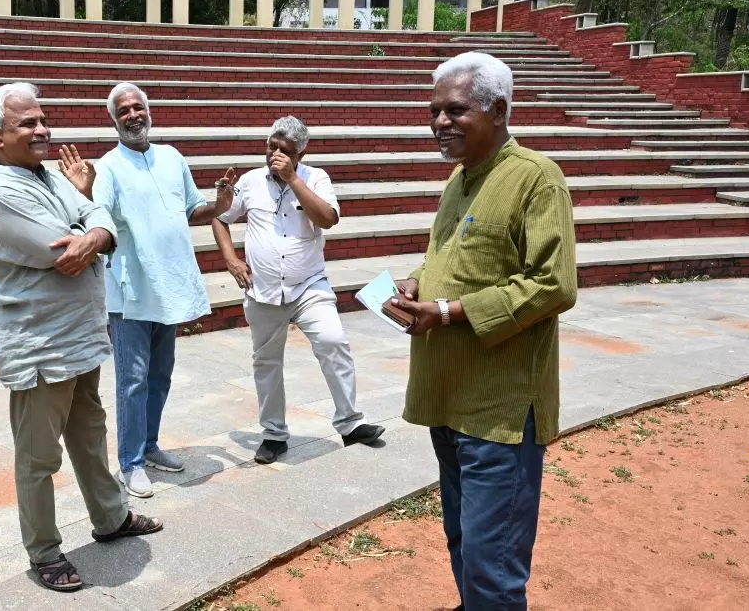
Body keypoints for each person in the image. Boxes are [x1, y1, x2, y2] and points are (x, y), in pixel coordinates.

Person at [389, 52, 578, 611]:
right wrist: (417, 282)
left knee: (492, 563)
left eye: (454, 110)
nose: (439, 123)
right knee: (465, 541)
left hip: (499, 411)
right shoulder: (459, 180)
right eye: (434, 111)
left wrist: (447, 313)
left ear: (498, 111)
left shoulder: (536, 180)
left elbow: (553, 284)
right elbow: (449, 257)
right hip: (449, 399)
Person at [0, 82, 162, 594]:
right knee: (38, 457)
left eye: (42, 119)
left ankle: (110, 517)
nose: (43, 130)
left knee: (88, 434)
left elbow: (95, 215)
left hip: (78, 338)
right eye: (27, 124)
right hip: (40, 347)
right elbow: (64, 250)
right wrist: (86, 219)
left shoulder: (45, 175)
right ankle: (44, 551)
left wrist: (91, 223)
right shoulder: (3, 193)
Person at [56, 82, 235, 498]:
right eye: (123, 111)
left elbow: (193, 210)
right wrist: (83, 191)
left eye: (138, 107)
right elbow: (92, 213)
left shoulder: (171, 157)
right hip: (131, 291)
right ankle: (130, 462)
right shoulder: (109, 166)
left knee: (159, 376)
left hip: (168, 287)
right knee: (132, 380)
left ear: (148, 111)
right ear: (114, 120)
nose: (133, 114)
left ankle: (150, 446)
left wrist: (220, 206)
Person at [212, 116, 385, 465]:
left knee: (333, 341)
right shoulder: (249, 181)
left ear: (301, 153)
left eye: (285, 151)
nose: (275, 154)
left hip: (308, 285)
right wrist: (231, 259)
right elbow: (220, 217)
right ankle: (274, 434)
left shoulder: (315, 178)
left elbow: (327, 219)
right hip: (262, 291)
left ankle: (350, 424)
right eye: (271, 147)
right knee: (267, 361)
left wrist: (292, 179)